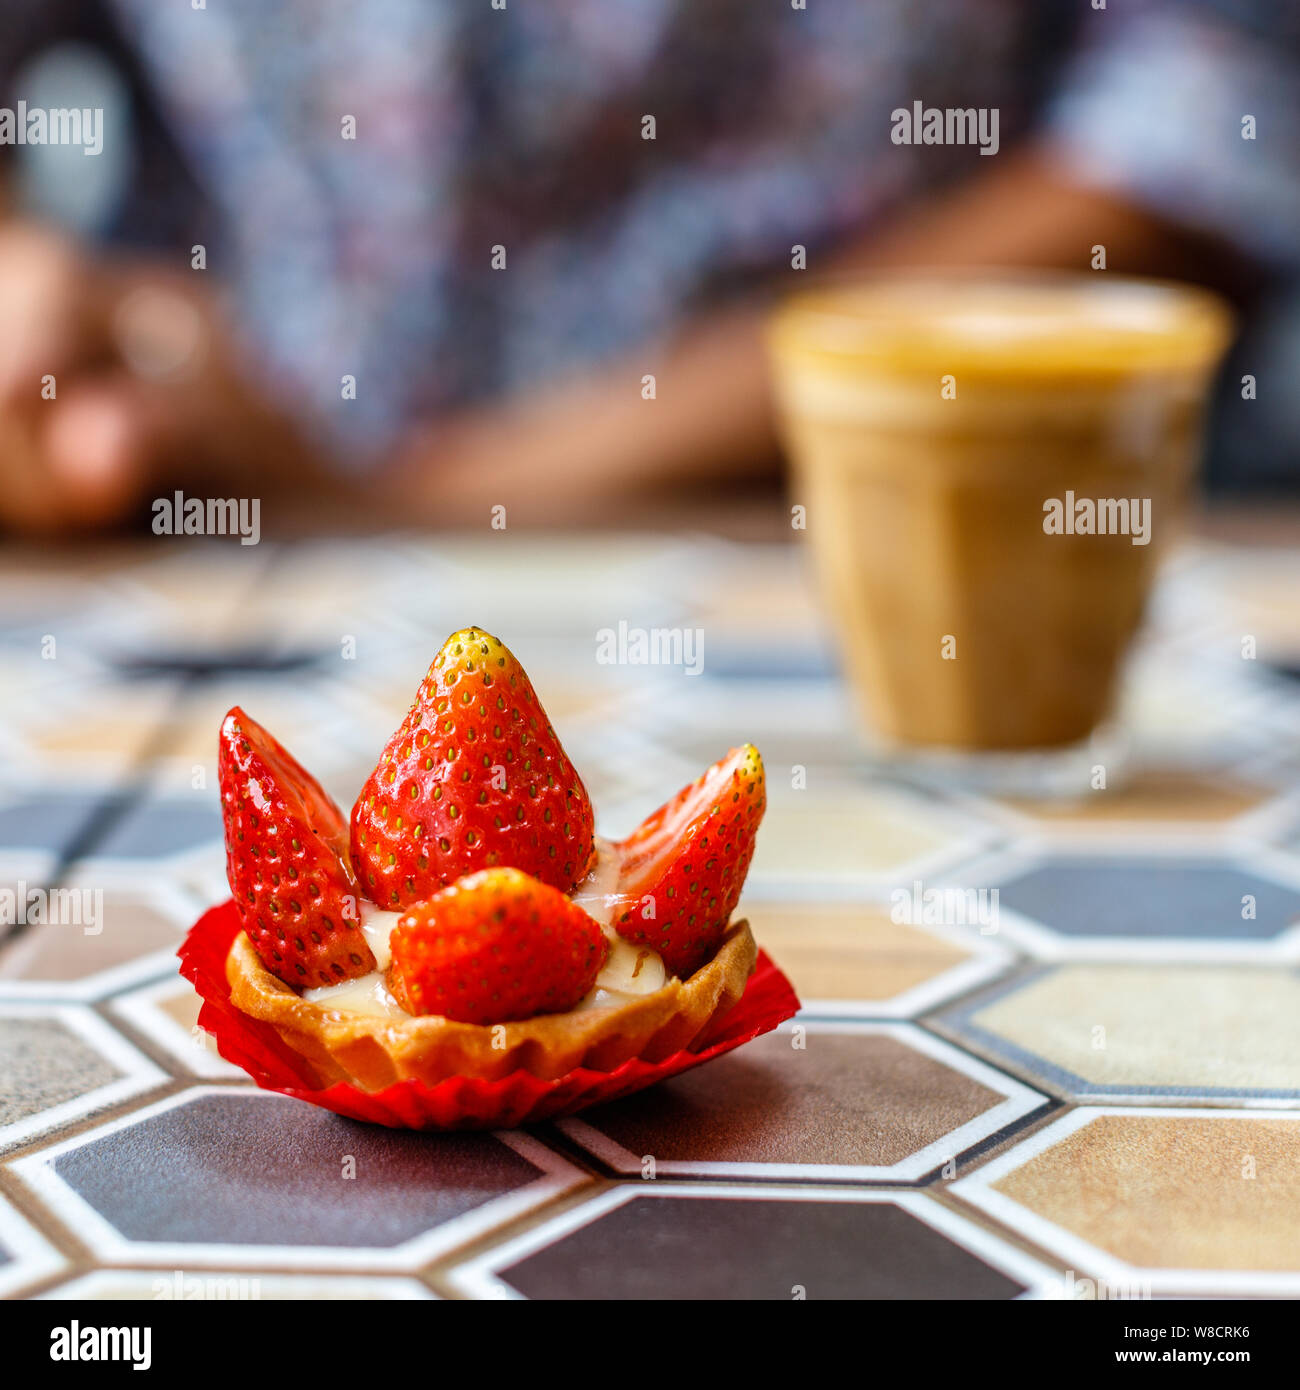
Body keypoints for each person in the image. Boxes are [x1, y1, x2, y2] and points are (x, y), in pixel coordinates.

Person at [0, 0, 1293, 535]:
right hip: (202, 533)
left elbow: (1199, 130)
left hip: (866, 533)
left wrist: (448, 495)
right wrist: (32, 303)